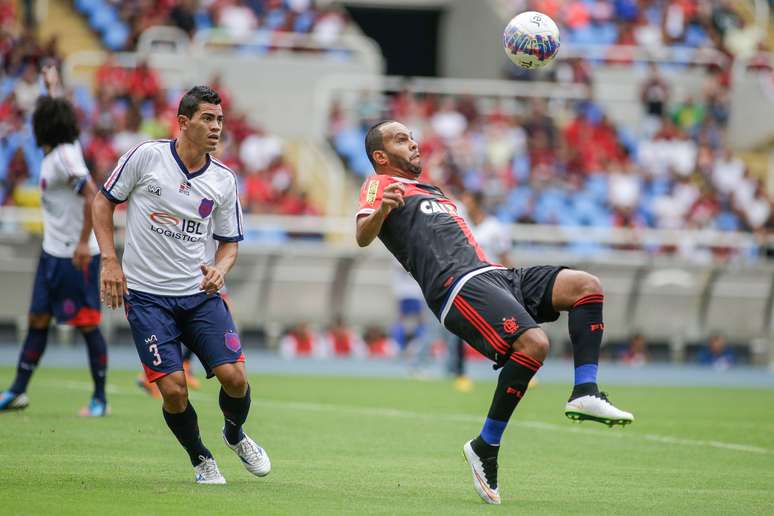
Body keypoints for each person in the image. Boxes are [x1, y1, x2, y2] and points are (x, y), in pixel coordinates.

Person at [355, 120, 634, 505]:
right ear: (381, 156)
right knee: (533, 343)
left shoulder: (431, 189)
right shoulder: (380, 185)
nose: (414, 144)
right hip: (458, 285)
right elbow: (362, 236)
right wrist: (382, 211)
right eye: (402, 140)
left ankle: (584, 392)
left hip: (495, 274)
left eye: (413, 137)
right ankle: (486, 446)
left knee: (586, 286)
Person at [91, 85, 270, 484]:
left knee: (236, 379)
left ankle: (235, 434)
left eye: (220, 120)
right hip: (147, 297)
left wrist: (221, 269)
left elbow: (228, 245)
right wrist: (109, 260)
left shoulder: (223, 180)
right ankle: (200, 458)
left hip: (199, 295)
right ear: (184, 122)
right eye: (208, 118)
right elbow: (102, 202)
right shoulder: (147, 157)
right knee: (173, 391)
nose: (216, 127)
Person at [0, 67, 109, 416]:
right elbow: (61, 110)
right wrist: (53, 86)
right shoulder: (63, 148)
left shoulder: (64, 157)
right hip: (51, 254)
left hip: (74, 256)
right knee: (37, 320)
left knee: (88, 323)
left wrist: (82, 242)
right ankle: (17, 391)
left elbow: (93, 195)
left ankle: (100, 400)